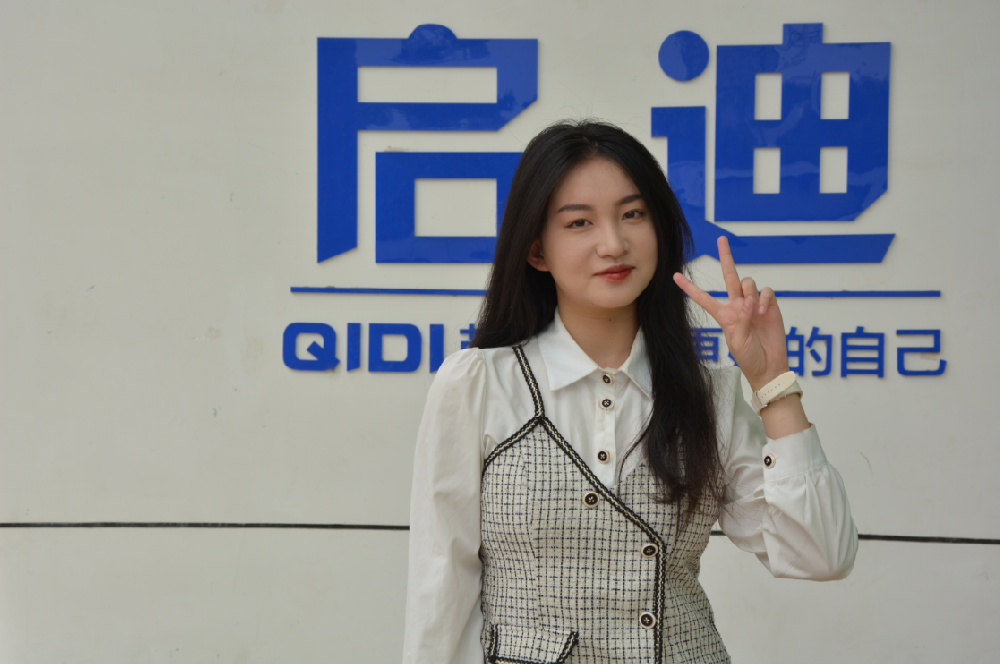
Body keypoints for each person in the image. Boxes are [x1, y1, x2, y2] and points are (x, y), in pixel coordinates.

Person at [402, 120, 857, 664]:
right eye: (579, 222)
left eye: (633, 215)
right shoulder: (479, 383)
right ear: (537, 250)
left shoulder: (709, 397)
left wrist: (771, 382)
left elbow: (822, 555)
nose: (613, 244)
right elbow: (440, 581)